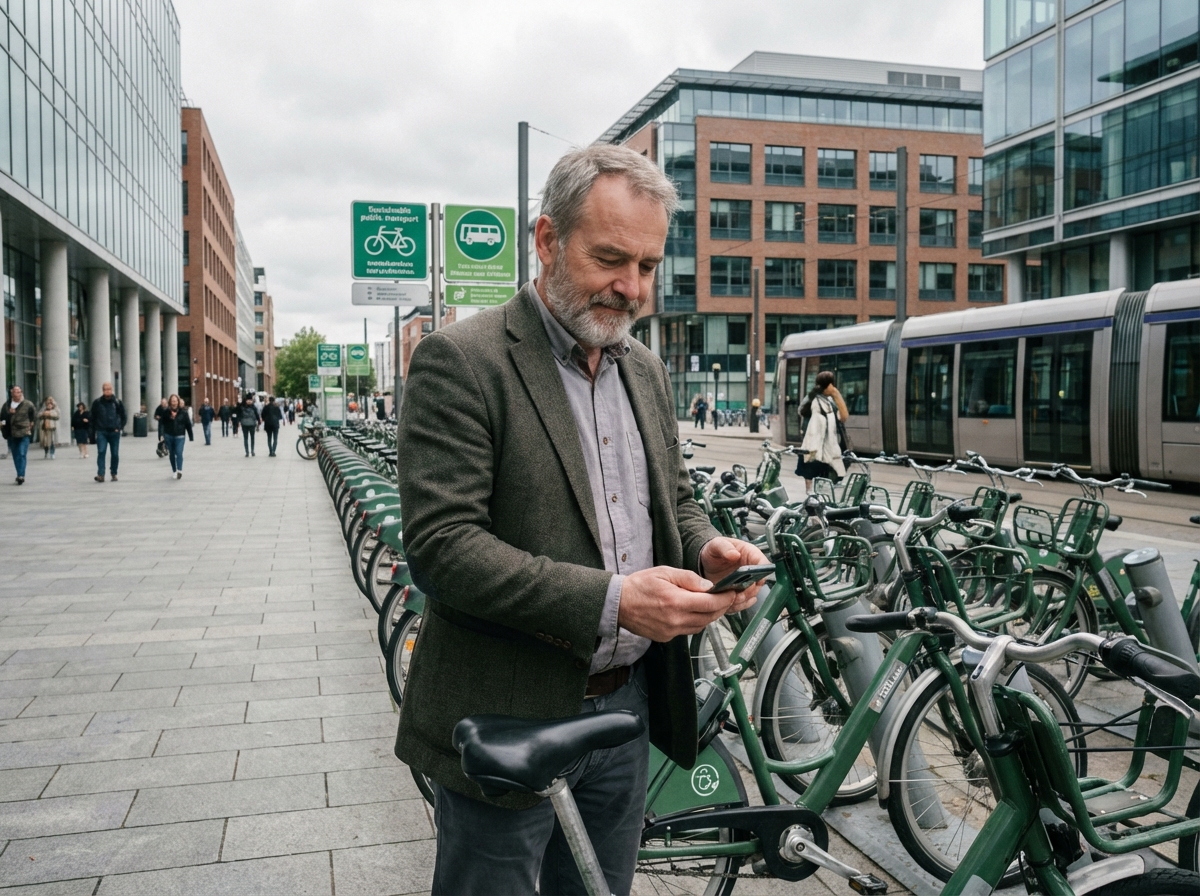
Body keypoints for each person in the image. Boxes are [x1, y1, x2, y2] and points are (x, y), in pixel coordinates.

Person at [394, 144, 767, 896]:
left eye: (649, 266)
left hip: (625, 708)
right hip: (509, 713)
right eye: (609, 259)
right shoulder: (461, 361)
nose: (630, 287)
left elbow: (675, 498)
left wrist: (709, 548)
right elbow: (443, 548)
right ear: (546, 241)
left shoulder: (647, 369)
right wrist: (616, 600)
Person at [795, 370, 848, 489]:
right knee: (814, 463)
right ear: (829, 385)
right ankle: (812, 491)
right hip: (818, 439)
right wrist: (837, 395)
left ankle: (813, 490)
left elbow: (843, 417)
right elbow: (843, 417)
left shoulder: (823, 399)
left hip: (821, 439)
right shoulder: (819, 401)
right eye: (832, 384)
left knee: (816, 464)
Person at [90, 382, 126, 482]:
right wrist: (92, 434)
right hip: (102, 431)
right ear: (103, 390)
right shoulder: (97, 403)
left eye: (109, 389)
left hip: (114, 432)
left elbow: (123, 416)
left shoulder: (117, 402)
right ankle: (101, 474)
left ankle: (114, 472)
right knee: (101, 452)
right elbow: (92, 418)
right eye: (105, 389)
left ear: (112, 390)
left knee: (114, 454)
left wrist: (119, 427)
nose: (107, 391)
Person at [1, 385, 36, 484]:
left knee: (21, 453)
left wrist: (31, 426)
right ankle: (19, 473)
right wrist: (7, 418)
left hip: (24, 433)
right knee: (16, 455)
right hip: (11, 433)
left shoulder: (28, 404)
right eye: (14, 391)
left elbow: (33, 416)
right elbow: (2, 419)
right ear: (11, 393)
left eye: (18, 391)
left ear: (21, 393)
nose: (16, 393)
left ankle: (21, 475)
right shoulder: (7, 405)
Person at [160, 394, 193, 479]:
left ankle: (180, 470)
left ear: (178, 402)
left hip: (180, 436)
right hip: (169, 435)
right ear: (170, 402)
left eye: (175, 401)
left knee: (179, 452)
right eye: (172, 401)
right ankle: (174, 470)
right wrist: (161, 435)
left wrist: (191, 436)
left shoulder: (183, 412)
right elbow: (161, 424)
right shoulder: (166, 412)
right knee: (171, 454)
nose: (174, 402)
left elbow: (188, 424)